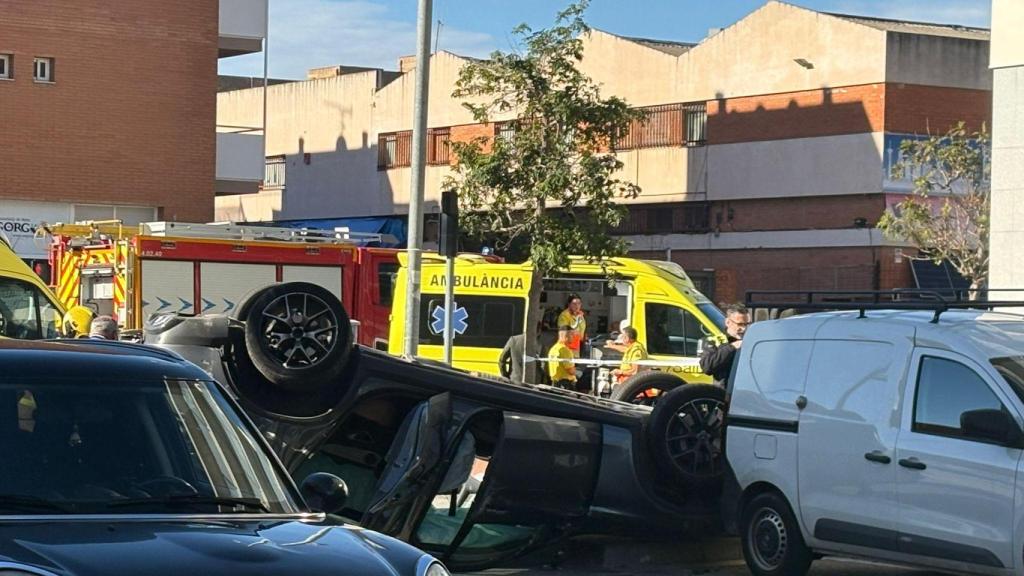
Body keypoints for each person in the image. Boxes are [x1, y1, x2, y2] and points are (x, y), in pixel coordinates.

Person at [699, 303, 750, 387]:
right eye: (740, 324)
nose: (744, 329)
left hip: (747, 390)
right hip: (724, 391)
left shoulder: (752, 341)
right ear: (728, 322)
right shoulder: (714, 341)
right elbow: (706, 367)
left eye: (747, 324)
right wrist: (732, 347)